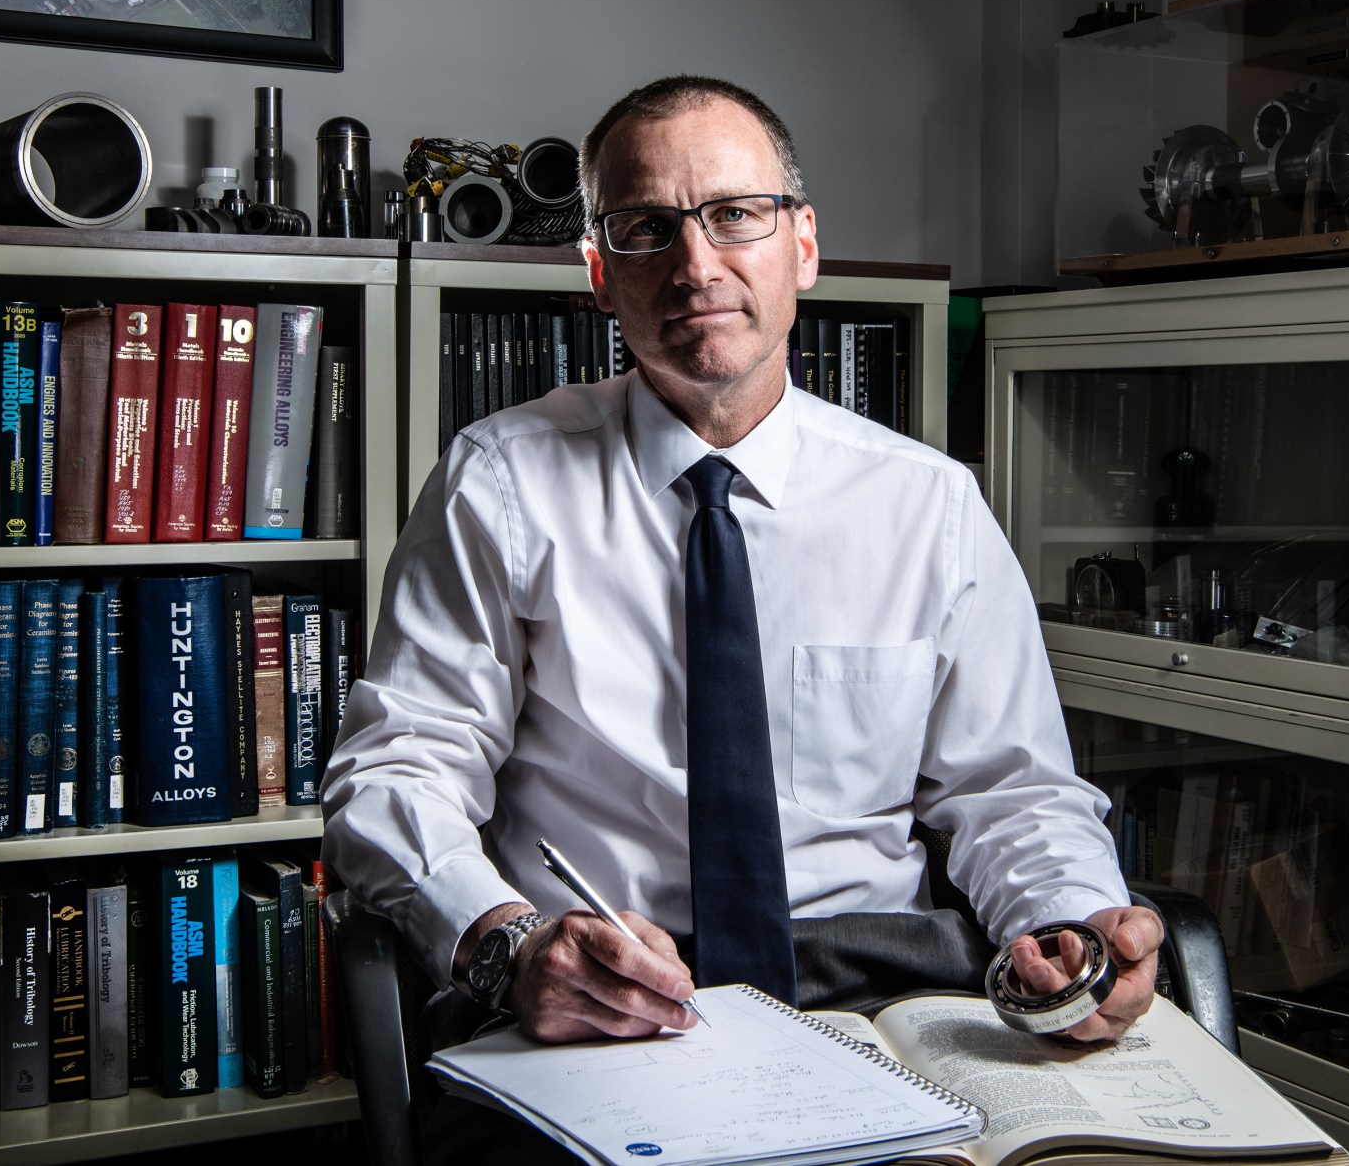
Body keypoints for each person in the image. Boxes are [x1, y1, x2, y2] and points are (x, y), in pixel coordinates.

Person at [321, 75, 1161, 1151]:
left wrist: (1069, 924)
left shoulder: (927, 505)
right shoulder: (500, 482)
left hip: (874, 989)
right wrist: (504, 944)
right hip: (606, 989)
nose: (695, 264)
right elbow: (399, 770)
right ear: (597, 274)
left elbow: (1010, 791)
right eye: (644, 228)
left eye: (733, 215)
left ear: (801, 247)